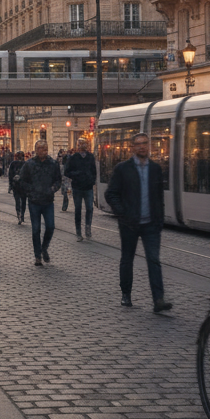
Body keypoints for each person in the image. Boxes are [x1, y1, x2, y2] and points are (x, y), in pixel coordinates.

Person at [104, 132, 171, 312]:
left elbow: (159, 196)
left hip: (151, 224)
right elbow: (110, 194)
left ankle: (158, 300)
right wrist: (122, 213)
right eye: (139, 144)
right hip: (129, 223)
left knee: (154, 260)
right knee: (127, 259)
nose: (142, 147)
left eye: (145, 144)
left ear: (149, 146)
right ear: (133, 148)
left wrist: (159, 220)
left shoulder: (156, 169)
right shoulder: (122, 169)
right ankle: (126, 294)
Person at [20, 141, 62, 266]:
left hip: (48, 201)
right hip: (34, 201)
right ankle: (37, 256)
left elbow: (58, 180)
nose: (43, 150)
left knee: (50, 227)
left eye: (45, 148)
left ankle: (44, 248)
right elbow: (22, 180)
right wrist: (31, 190)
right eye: (40, 148)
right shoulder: (29, 164)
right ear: (35, 150)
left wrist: (53, 188)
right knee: (36, 229)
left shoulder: (53, 164)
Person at [64, 139, 98, 241]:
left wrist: (92, 180)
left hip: (88, 187)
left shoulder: (90, 157)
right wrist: (77, 174)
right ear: (78, 146)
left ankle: (88, 228)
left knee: (89, 208)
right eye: (81, 144)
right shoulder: (74, 157)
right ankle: (78, 232)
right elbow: (67, 172)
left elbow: (94, 170)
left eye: (84, 144)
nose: (83, 146)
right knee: (78, 209)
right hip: (77, 187)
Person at [6, 150, 29, 225]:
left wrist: (10, 185)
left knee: (18, 201)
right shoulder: (26, 163)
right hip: (23, 186)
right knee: (23, 201)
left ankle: (19, 214)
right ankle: (21, 215)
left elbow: (10, 175)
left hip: (16, 185)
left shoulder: (14, 163)